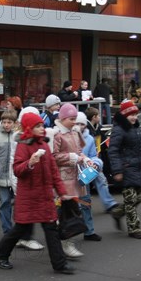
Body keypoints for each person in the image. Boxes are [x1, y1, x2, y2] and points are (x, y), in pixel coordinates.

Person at [0, 112, 75, 274]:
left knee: (51, 229)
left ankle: (60, 264)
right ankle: (1, 254)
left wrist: (62, 192)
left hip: (44, 197)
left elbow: (53, 172)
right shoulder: (24, 145)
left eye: (42, 125)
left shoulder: (44, 145)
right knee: (20, 229)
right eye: (38, 126)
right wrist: (29, 163)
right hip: (28, 197)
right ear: (29, 128)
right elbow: (17, 170)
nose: (42, 128)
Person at [51, 103, 88, 256]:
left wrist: (84, 158)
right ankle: (65, 243)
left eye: (75, 119)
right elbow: (54, 156)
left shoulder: (74, 132)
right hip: (63, 178)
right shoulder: (56, 134)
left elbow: (79, 150)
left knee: (72, 210)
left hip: (75, 176)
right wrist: (73, 158)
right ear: (63, 118)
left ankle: (66, 242)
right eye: (71, 119)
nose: (74, 122)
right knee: (67, 211)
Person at [108, 100, 141, 238]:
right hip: (126, 169)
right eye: (131, 114)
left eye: (136, 114)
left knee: (140, 197)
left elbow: (139, 148)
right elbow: (112, 151)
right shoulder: (119, 129)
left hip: (136, 167)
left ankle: (118, 212)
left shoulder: (134, 128)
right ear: (125, 115)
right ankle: (134, 229)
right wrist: (117, 171)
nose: (134, 117)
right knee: (131, 200)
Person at [84, 107, 120, 214]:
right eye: (98, 115)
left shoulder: (97, 128)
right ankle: (85, 205)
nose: (100, 117)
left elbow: (102, 143)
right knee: (86, 185)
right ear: (94, 117)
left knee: (101, 180)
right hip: (86, 159)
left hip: (95, 159)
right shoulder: (87, 129)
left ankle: (109, 203)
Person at [0, 110, 19, 235]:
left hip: (16, 176)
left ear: (14, 123)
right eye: (4, 122)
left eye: (9, 122)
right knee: (5, 203)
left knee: (19, 203)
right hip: (2, 176)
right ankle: (7, 231)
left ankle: (19, 229)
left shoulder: (18, 137)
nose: (6, 125)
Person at [75, 112, 102, 241]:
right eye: (77, 123)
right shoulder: (66, 137)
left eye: (82, 124)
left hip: (84, 176)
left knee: (86, 202)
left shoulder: (89, 139)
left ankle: (89, 231)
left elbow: (93, 155)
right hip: (69, 175)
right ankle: (66, 230)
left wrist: (95, 163)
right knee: (68, 205)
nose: (79, 126)